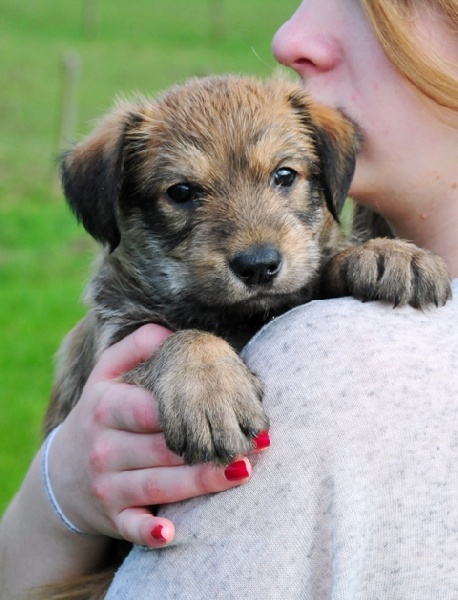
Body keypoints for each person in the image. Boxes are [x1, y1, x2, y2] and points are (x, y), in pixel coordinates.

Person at [1, 0, 457, 598]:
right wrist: (185, 354)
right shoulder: (133, 314)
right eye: (183, 193)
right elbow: (123, 368)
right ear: (113, 210)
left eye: (283, 177)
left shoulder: (346, 345)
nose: (255, 244)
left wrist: (349, 264)